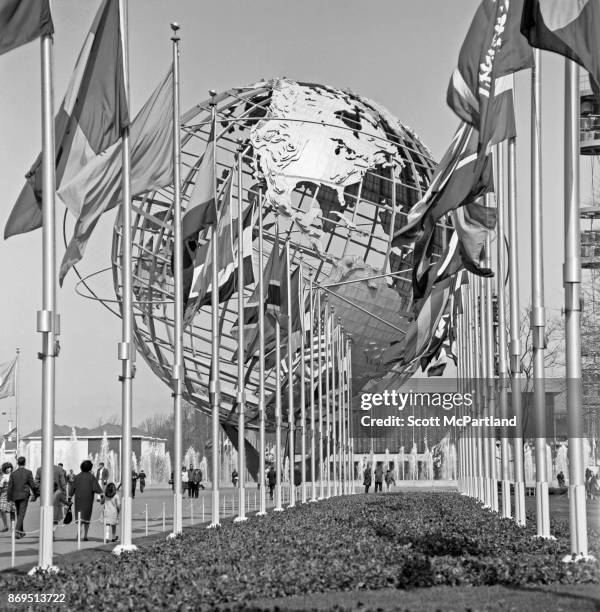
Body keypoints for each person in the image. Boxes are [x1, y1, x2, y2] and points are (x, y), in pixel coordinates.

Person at [68, 459, 103, 541]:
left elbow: (72, 489)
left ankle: (78, 533)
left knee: (80, 516)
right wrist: (101, 496)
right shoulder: (91, 477)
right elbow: (97, 488)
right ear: (90, 468)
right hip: (88, 499)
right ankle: (86, 535)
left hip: (79, 499)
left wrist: (69, 498)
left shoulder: (77, 477)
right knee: (87, 518)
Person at [7, 456, 37, 538]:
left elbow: (10, 487)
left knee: (19, 513)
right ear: (25, 462)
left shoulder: (13, 474)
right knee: (21, 514)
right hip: (24, 495)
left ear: (17, 463)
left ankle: (21, 532)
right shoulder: (28, 472)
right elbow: (32, 485)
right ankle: (17, 531)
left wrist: (9, 498)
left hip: (15, 496)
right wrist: (35, 493)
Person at [34, 463, 68, 530]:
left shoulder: (40, 469)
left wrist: (41, 491)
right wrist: (64, 494)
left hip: (44, 495)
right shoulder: (59, 469)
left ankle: (47, 531)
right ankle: (52, 530)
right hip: (57, 494)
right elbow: (63, 484)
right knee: (55, 515)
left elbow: (36, 483)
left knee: (45, 513)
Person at [0, 462, 15, 532]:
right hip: (3, 494)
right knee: (2, 509)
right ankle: (5, 526)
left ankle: (13, 526)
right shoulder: (2, 476)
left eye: (9, 468)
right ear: (4, 469)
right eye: (7, 468)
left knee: (12, 510)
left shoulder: (13, 475)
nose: (8, 469)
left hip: (12, 494)